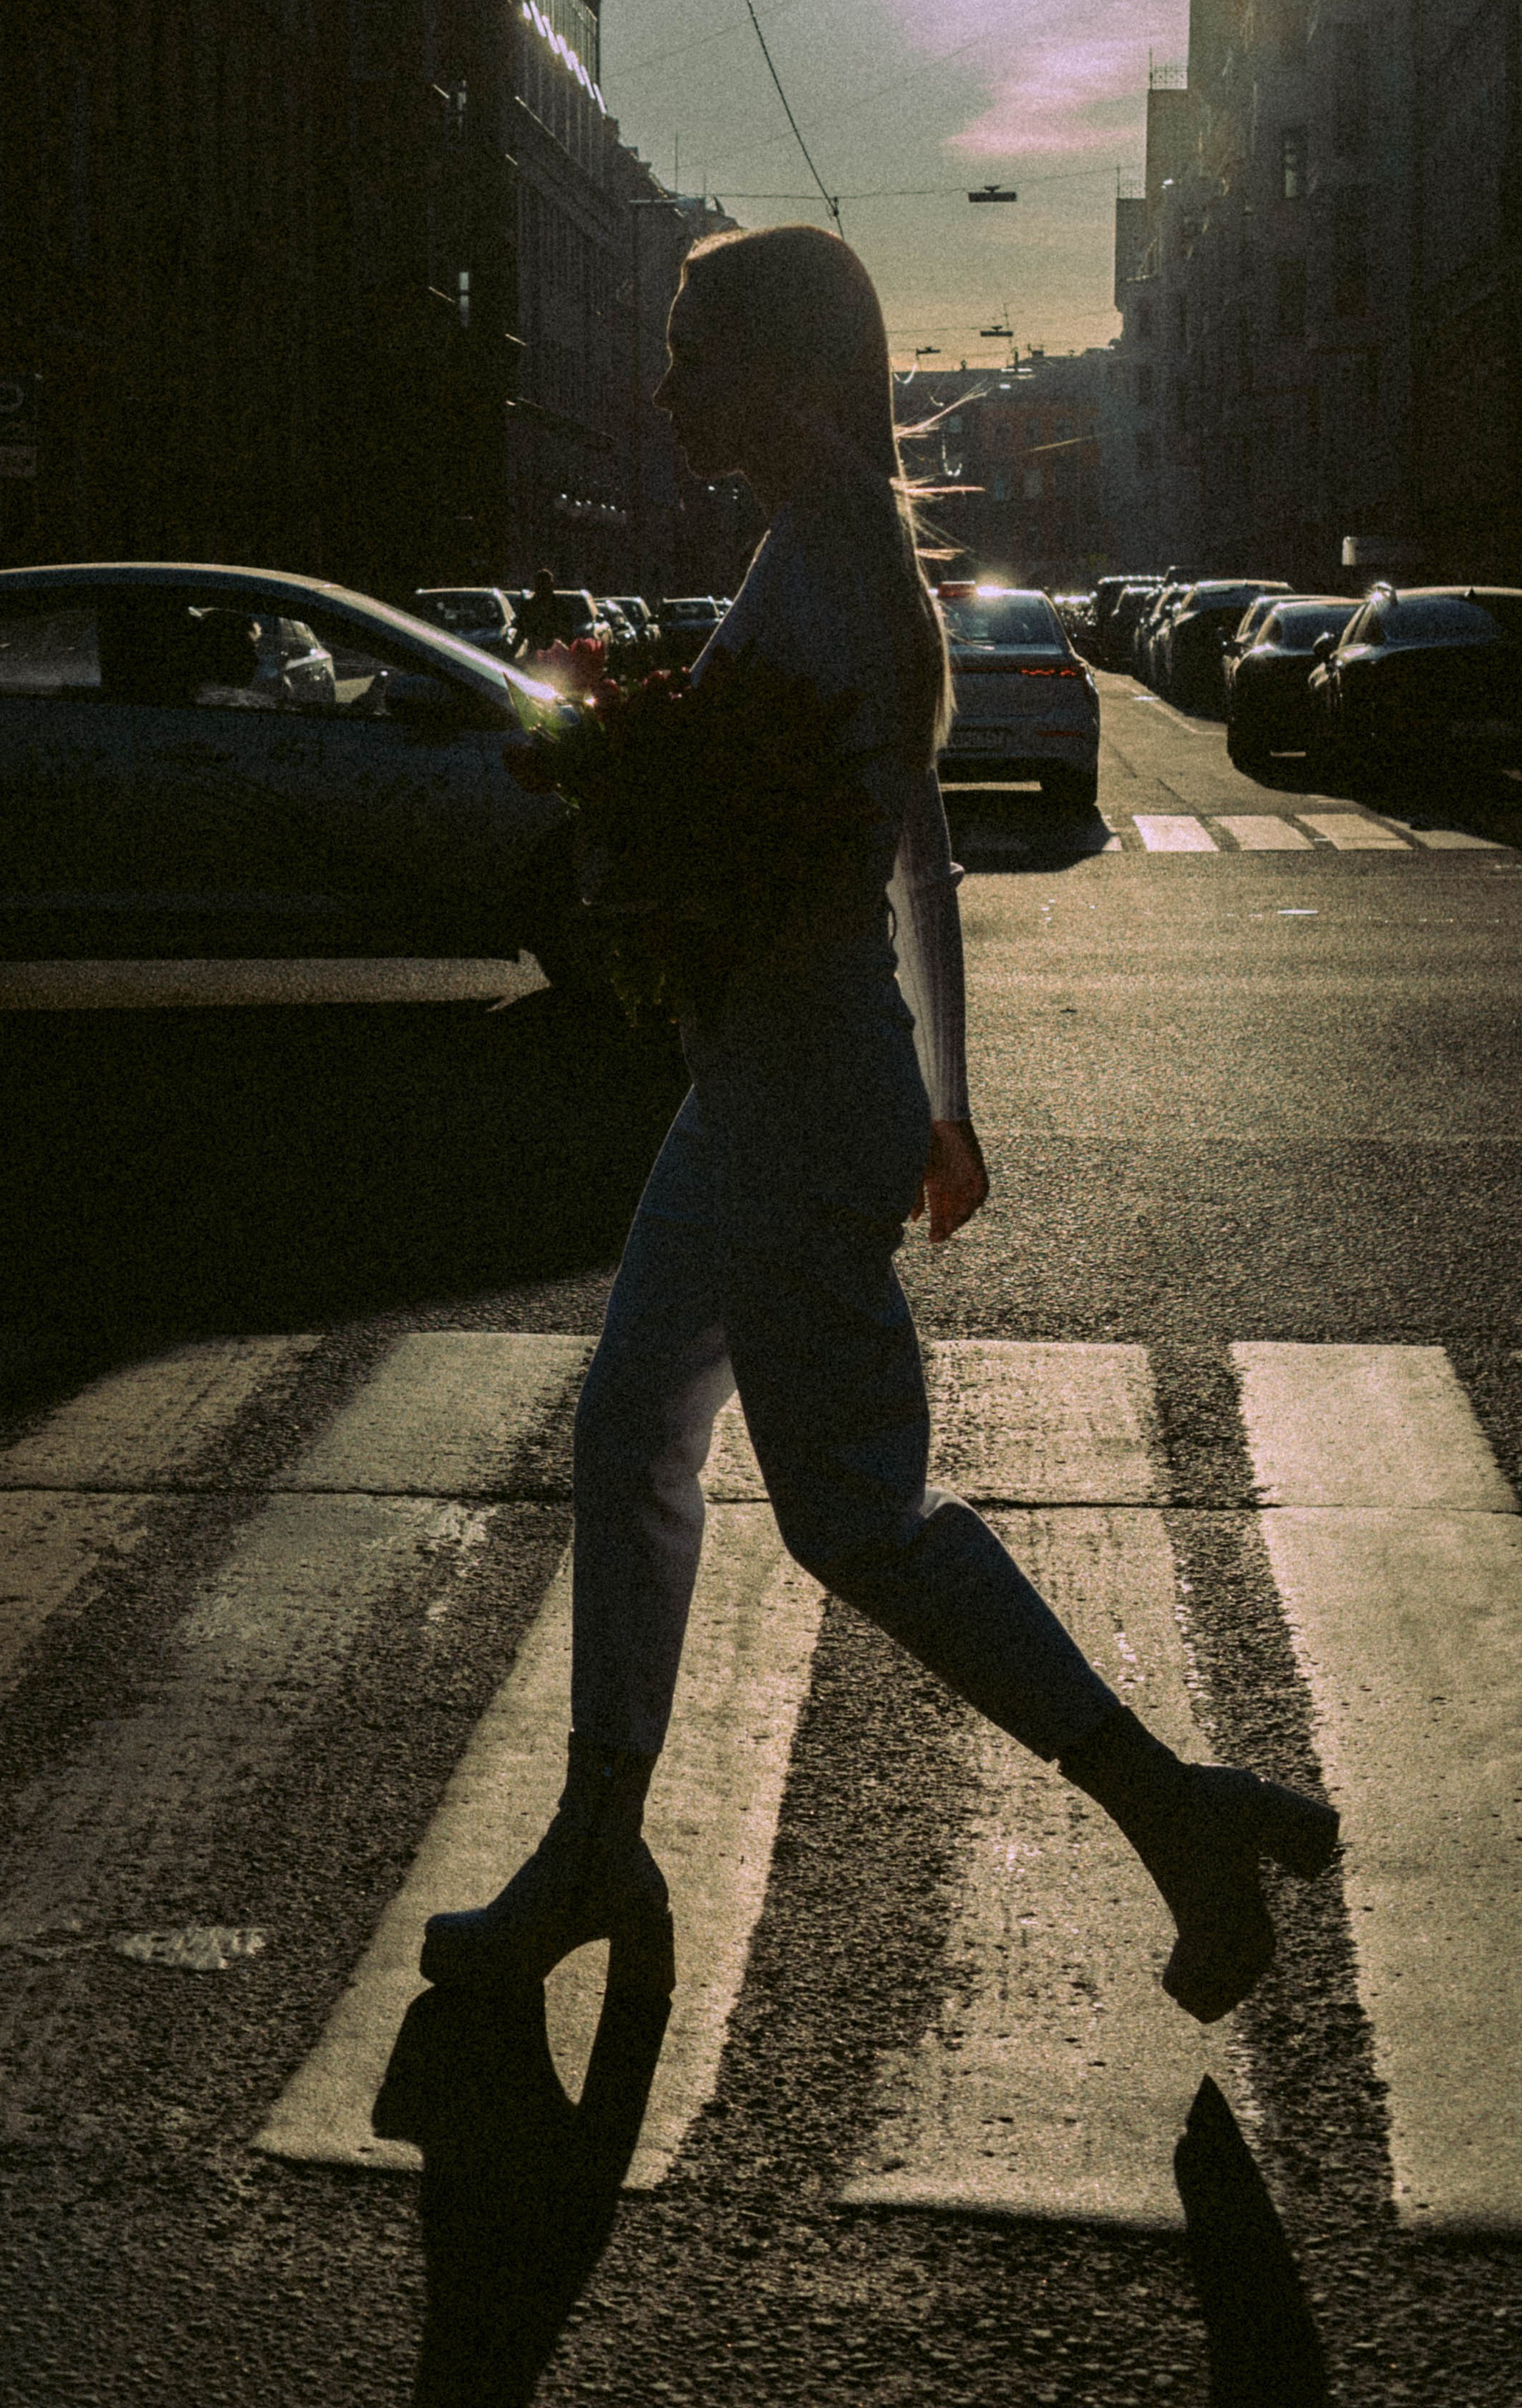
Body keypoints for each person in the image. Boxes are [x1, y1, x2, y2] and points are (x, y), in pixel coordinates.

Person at [423, 226, 1337, 2024]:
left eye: (694, 356)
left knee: (853, 1517)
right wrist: (944, 1104)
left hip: (784, 1090)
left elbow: (779, 854)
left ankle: (1171, 1810)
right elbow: (911, 847)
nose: (669, 390)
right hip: (777, 1084)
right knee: (630, 1436)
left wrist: (623, 812)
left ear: (776, 372)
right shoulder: (826, 551)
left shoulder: (831, 562)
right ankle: (596, 1843)